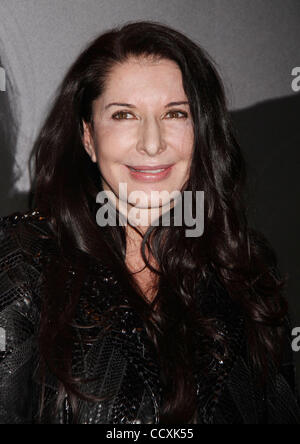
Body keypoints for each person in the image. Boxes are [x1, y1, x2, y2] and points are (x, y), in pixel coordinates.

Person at [0, 20, 299, 425]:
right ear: (89, 137)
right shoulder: (25, 262)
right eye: (124, 115)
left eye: (175, 113)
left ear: (202, 131)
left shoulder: (245, 265)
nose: (152, 143)